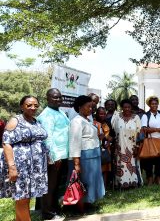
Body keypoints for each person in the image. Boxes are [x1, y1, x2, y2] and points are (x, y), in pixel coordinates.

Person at [0, 96, 48, 221]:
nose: (33, 108)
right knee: (22, 197)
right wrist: (12, 167)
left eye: (36, 105)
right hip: (20, 166)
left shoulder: (35, 121)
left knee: (27, 197)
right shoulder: (15, 121)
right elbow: (6, 143)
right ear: (22, 106)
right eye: (29, 105)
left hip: (35, 167)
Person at [37, 88, 70, 220]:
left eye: (60, 97)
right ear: (47, 99)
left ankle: (54, 209)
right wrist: (55, 157)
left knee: (56, 185)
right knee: (50, 185)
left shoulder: (59, 112)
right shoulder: (47, 115)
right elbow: (48, 137)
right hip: (54, 157)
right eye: (55, 97)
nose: (58, 100)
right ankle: (47, 213)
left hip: (62, 155)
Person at [69, 95, 105, 212]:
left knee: (93, 180)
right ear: (80, 107)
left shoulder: (88, 120)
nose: (91, 109)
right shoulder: (76, 121)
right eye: (88, 107)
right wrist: (76, 163)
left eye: (92, 107)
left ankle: (90, 202)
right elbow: (75, 142)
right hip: (85, 156)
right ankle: (81, 206)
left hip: (94, 154)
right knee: (85, 181)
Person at [111, 99, 143, 188]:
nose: (127, 109)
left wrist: (137, 147)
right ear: (122, 108)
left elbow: (139, 133)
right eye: (125, 107)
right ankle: (121, 183)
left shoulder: (136, 118)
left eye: (129, 107)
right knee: (120, 165)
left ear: (131, 107)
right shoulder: (117, 117)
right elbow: (114, 131)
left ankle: (133, 182)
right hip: (120, 147)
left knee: (132, 164)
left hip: (132, 147)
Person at [141, 96, 160, 185]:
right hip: (150, 141)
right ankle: (149, 178)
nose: (154, 105)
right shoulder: (146, 115)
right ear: (149, 105)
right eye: (152, 104)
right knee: (149, 160)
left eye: (156, 104)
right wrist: (156, 129)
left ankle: (158, 178)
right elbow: (144, 129)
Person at [94, 107, 112, 187]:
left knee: (106, 168)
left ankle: (104, 187)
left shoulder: (106, 123)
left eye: (104, 114)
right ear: (97, 114)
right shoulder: (93, 123)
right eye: (101, 113)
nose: (103, 115)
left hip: (106, 149)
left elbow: (110, 136)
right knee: (98, 168)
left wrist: (109, 140)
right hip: (97, 149)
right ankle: (97, 187)